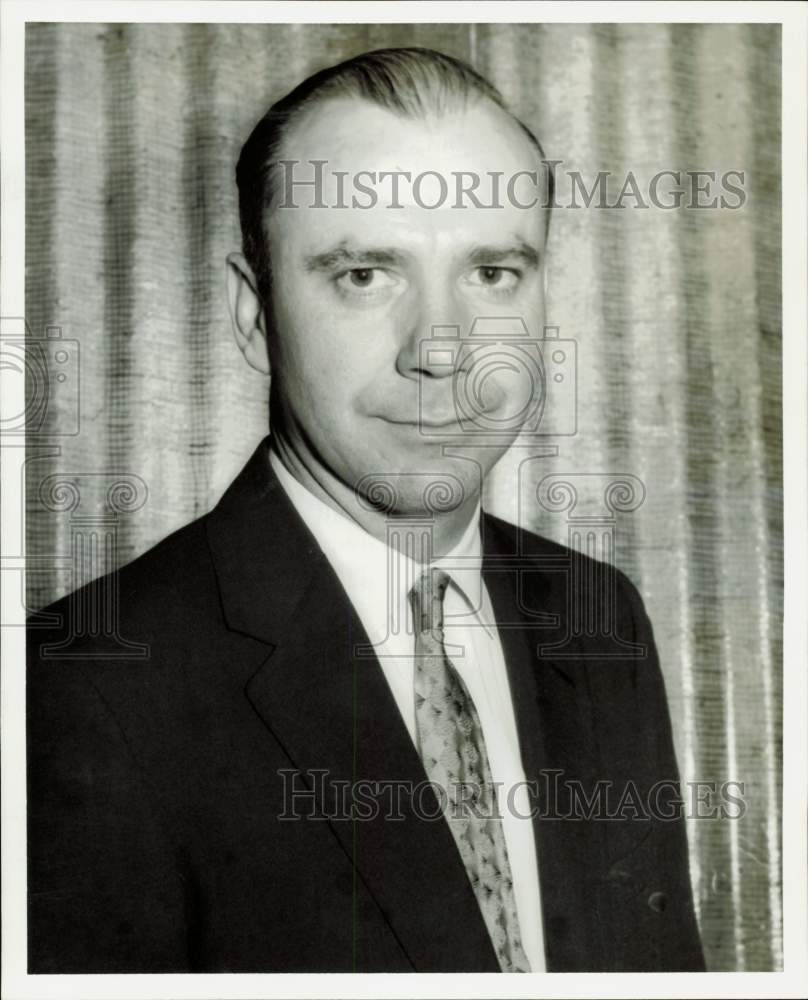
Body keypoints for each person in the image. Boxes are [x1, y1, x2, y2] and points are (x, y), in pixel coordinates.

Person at [27, 47, 705, 973]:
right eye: (364, 275)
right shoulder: (80, 685)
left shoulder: (598, 617)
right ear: (254, 313)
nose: (442, 349)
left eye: (492, 274)